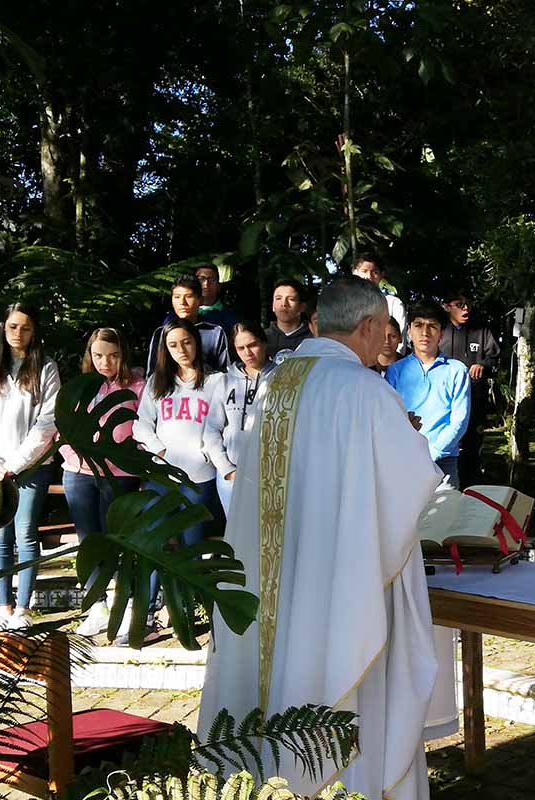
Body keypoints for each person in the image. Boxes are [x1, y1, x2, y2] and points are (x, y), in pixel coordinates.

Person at [199, 275, 444, 800]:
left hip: (276, 581)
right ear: (369, 324)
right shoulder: (364, 390)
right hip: (337, 585)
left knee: (279, 671)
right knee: (340, 681)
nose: (387, 341)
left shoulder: (275, 385)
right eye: (384, 329)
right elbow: (414, 483)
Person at [132, 319, 231, 645]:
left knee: (190, 549)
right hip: (163, 476)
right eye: (173, 345)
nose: (181, 350)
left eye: (186, 342)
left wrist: (207, 454)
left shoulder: (217, 381)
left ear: (196, 342)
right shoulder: (157, 383)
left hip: (198, 477)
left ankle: (185, 615)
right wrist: (160, 450)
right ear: (165, 349)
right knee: (154, 544)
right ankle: (146, 616)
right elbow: (141, 425)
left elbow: (220, 424)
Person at [0, 303, 61, 632]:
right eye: (12, 327)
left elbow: (47, 424)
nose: (18, 334)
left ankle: (22, 608)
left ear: (35, 332)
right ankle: (2, 606)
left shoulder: (46, 369)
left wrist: (16, 464)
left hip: (32, 467)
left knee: (26, 535)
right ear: (3, 329)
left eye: (25, 328)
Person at [60, 328, 146, 638]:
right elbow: (63, 428)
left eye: (112, 355)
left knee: (117, 541)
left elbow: (141, 430)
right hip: (79, 470)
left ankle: (127, 604)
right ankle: (98, 605)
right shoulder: (81, 387)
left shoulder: (137, 386)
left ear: (123, 354)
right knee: (89, 542)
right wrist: (75, 455)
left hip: (118, 474)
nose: (105, 362)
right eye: (98, 355)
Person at [386, 302, 471, 489]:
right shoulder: (395, 371)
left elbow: (460, 420)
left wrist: (433, 453)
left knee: (445, 516)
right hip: (403, 460)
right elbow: (388, 416)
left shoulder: (457, 371)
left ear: (441, 334)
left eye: (432, 326)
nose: (425, 333)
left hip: (444, 463)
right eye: (418, 325)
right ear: (409, 331)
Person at [440, 290, 501, 486]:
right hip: (444, 404)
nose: (465, 308)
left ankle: (472, 489)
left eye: (468, 304)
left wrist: (483, 364)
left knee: (473, 448)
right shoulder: (440, 332)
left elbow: (496, 357)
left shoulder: (481, 330)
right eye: (460, 304)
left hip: (474, 400)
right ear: (447, 306)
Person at [218, 321, 272, 514]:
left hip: (269, 476)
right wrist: (227, 469)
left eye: (252, 345)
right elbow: (211, 429)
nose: (247, 352)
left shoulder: (281, 378)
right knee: (234, 539)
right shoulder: (224, 380)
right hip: (231, 476)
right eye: (240, 348)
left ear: (264, 343)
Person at [147, 275, 232, 375]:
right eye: (177, 297)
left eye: (189, 296)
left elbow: (225, 372)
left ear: (200, 300)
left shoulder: (214, 333)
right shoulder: (161, 333)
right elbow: (153, 373)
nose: (182, 302)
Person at [352, 254, 407, 342]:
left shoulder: (393, 304)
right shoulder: (345, 304)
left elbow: (400, 341)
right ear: (355, 272)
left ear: (382, 275)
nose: (369, 276)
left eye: (375, 272)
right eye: (364, 271)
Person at [265, 279, 314, 365]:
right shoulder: (262, 338)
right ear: (273, 306)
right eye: (278, 298)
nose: (284, 304)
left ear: (302, 307)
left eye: (291, 299)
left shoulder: (314, 337)